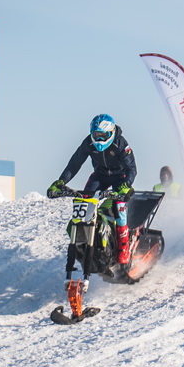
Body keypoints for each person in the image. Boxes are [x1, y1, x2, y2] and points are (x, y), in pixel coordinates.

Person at [47, 114, 137, 268]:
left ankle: (124, 248)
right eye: (97, 135)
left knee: (119, 207)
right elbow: (74, 163)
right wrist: (61, 181)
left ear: (111, 133)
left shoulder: (120, 143)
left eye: (103, 136)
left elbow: (132, 169)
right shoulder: (88, 142)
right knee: (84, 203)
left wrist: (126, 184)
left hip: (119, 177)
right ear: (92, 133)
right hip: (100, 175)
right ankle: (85, 244)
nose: (100, 139)